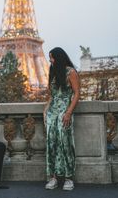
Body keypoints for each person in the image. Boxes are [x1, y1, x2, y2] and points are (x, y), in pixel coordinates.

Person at [44, 47, 80, 191]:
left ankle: (69, 178)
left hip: (65, 111)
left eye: (52, 57)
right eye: (49, 57)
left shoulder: (71, 72)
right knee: (51, 143)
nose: (50, 60)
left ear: (59, 57)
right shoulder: (53, 72)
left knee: (65, 143)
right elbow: (52, 95)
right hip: (52, 112)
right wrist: (45, 109)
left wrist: (69, 113)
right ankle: (52, 177)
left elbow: (77, 93)